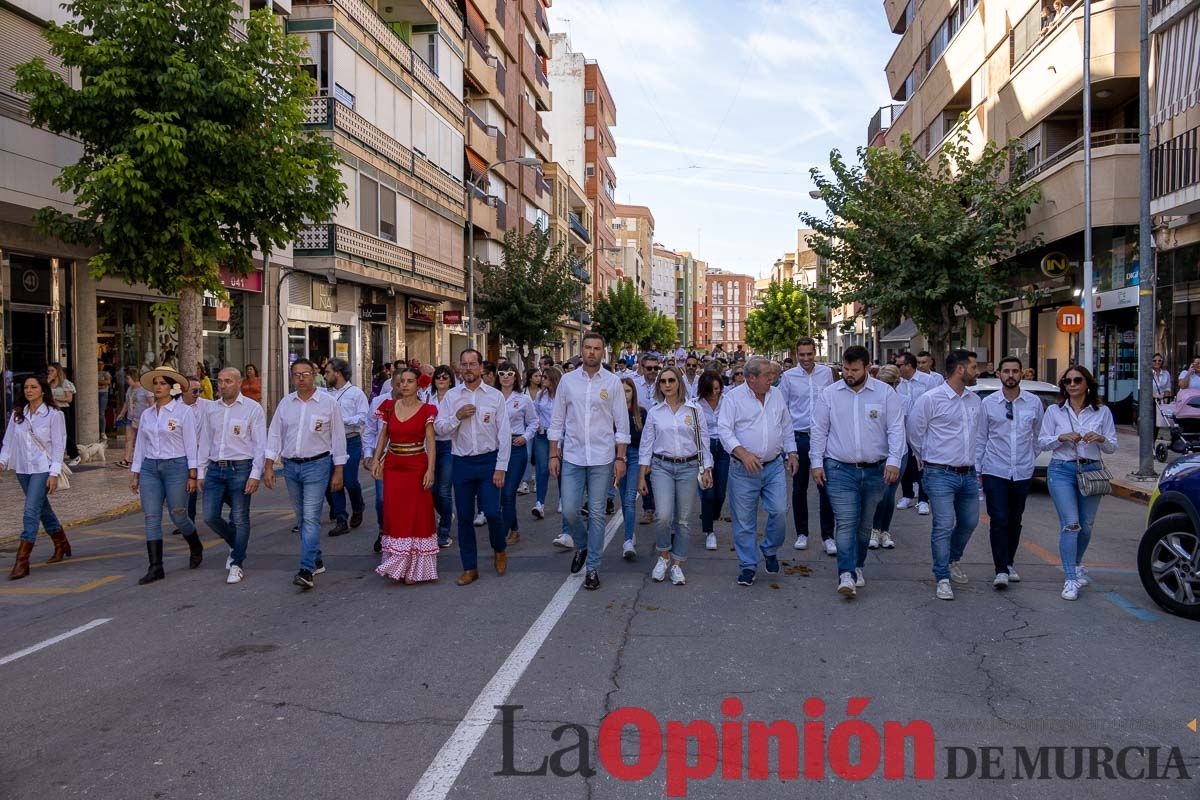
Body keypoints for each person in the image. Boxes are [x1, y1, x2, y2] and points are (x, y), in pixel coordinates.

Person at [811, 346, 905, 598]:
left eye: (854, 369)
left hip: (875, 470)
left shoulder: (885, 394)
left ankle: (858, 565)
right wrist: (816, 463)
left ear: (867, 367)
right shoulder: (829, 394)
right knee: (846, 522)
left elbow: (896, 429)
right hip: (839, 469)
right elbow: (819, 430)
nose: (848, 374)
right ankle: (845, 573)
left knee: (865, 527)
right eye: (845, 368)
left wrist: (895, 461)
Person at [549, 332, 630, 591]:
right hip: (572, 455)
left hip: (602, 457)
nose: (592, 352)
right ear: (581, 351)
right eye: (588, 348)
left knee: (596, 513)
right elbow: (557, 420)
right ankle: (582, 545)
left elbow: (622, 423)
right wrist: (553, 452)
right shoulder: (568, 382)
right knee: (571, 510)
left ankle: (593, 568)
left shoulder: (613, 382)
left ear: (602, 352)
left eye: (597, 348)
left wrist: (620, 457)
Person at [263, 358, 347, 590]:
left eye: (305, 374)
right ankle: (316, 557)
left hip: (317, 465)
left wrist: (338, 470)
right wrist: (269, 466)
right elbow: (274, 435)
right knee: (301, 518)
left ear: (315, 375)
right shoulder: (286, 403)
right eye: (296, 374)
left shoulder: (328, 403)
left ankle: (306, 569)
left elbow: (338, 439)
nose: (301, 378)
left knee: (310, 518)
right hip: (291, 467)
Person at [907, 349, 982, 601]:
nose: (977, 372)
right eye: (973, 367)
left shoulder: (974, 401)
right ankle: (942, 576)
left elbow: (979, 436)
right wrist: (926, 458)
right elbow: (915, 432)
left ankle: (952, 559)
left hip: (969, 474)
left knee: (970, 521)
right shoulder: (931, 399)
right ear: (960, 369)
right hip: (939, 473)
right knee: (943, 524)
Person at [1039, 365, 1117, 601]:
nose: (1072, 385)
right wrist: (1060, 438)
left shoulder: (1102, 412)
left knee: (1086, 524)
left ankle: (1076, 562)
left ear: (1087, 384)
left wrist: (1101, 438)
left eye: (1077, 380)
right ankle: (1070, 578)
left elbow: (1112, 447)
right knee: (1071, 523)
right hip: (1062, 469)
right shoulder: (1055, 411)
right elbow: (1042, 442)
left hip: (1091, 470)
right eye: (1067, 381)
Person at [718, 357, 798, 587]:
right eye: (767, 376)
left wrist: (792, 453)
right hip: (743, 468)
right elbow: (724, 430)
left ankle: (770, 549)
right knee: (744, 521)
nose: (772, 379)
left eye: (773, 375)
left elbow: (786, 425)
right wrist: (743, 454)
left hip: (773, 466)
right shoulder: (733, 398)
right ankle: (748, 565)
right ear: (751, 378)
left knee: (779, 511)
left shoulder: (776, 394)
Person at [435, 348, 511, 586]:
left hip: (489, 461)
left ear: (481, 368)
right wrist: (456, 416)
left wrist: (501, 467)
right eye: (464, 364)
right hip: (462, 462)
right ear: (459, 367)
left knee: (491, 512)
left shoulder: (495, 396)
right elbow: (439, 428)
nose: (468, 368)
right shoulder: (451, 397)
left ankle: (499, 548)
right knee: (465, 517)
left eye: (472, 364)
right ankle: (470, 567)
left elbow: (505, 434)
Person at [639, 366, 713, 586]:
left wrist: (706, 468)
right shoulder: (654, 412)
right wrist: (641, 475)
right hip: (661, 466)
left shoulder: (694, 410)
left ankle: (677, 565)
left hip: (689, 467)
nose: (667, 385)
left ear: (679, 383)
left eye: (671, 380)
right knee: (663, 516)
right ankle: (663, 556)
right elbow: (646, 445)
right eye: (663, 381)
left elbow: (704, 441)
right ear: (659, 386)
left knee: (682, 519)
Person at [975, 356, 1044, 590]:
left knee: (1015, 519)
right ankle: (1000, 569)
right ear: (999, 375)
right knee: (999, 519)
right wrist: (978, 469)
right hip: (995, 469)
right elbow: (981, 438)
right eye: (1006, 371)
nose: (1011, 375)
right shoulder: (988, 403)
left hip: (1022, 471)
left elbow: (1038, 436)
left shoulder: (1033, 403)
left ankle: (1009, 562)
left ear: (1022, 374)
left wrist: (1028, 458)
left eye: (1015, 371)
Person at [129, 367, 202, 585]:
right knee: (151, 516)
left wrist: (192, 474)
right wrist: (136, 473)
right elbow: (140, 445)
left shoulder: (183, 412)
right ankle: (156, 566)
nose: (158, 387)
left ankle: (195, 544)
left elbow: (191, 444)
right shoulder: (147, 414)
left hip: (176, 467)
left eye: (162, 383)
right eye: (156, 383)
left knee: (178, 514)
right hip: (151, 467)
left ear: (172, 388)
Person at [196, 367, 266, 584]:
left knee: (240, 517)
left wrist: (256, 474)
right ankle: (237, 544)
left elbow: (260, 445)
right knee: (209, 516)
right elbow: (205, 440)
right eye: (220, 381)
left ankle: (237, 563)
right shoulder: (211, 409)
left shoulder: (252, 409)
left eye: (227, 381)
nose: (222, 385)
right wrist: (200, 471)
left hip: (241, 469)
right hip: (216, 469)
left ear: (238, 383)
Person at [370, 368, 439, 584]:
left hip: (417, 466)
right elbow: (383, 435)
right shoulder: (389, 407)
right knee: (395, 513)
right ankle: (398, 565)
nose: (405, 385)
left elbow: (431, 442)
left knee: (417, 515)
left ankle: (414, 570)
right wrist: (375, 459)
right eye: (402, 382)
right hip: (393, 466)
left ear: (419, 386)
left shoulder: (427, 409)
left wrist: (430, 469)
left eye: (410, 381)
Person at [2, 375, 69, 579]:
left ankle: (22, 560)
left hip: (43, 468)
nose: (29, 390)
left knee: (31, 510)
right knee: (42, 508)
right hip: (23, 468)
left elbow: (59, 445)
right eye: (26, 388)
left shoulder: (53, 415)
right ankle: (61, 542)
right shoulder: (18, 415)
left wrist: (54, 473)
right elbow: (8, 441)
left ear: (42, 390)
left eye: (33, 387)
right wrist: (3, 461)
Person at [779, 336, 837, 554]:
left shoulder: (827, 374)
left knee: (826, 488)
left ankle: (828, 536)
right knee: (799, 488)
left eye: (809, 354)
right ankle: (802, 533)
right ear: (796, 354)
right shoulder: (788, 377)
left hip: (824, 438)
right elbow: (783, 412)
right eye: (801, 354)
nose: (806, 358)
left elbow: (834, 403)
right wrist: (789, 449)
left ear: (815, 352)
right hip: (800, 437)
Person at [322, 358, 369, 536]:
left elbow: (363, 417)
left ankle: (358, 506)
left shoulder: (356, 393)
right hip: (331, 442)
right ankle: (341, 519)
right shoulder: (326, 395)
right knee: (335, 481)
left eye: (327, 372)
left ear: (338, 373)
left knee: (349, 480)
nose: (324, 376)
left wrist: (342, 421)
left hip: (351, 440)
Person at [497, 360, 537, 547]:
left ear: (515, 376)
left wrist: (525, 437)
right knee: (502, 494)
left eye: (510, 373)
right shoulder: (492, 396)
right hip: (495, 448)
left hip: (516, 447)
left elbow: (534, 422)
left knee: (508, 491)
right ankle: (514, 529)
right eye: (502, 373)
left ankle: (502, 533)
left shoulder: (523, 399)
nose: (506, 377)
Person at [869, 364, 906, 550]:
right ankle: (874, 529)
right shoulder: (874, 399)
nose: (888, 387)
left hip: (901, 453)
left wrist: (918, 453)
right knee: (880, 494)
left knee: (890, 494)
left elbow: (909, 427)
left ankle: (885, 530)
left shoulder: (904, 400)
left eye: (891, 383)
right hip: (881, 453)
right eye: (884, 383)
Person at [894, 352, 932, 515]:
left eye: (899, 365)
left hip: (923, 429)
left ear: (909, 365)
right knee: (906, 465)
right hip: (903, 428)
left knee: (922, 464)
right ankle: (907, 495)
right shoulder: (898, 383)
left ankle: (924, 499)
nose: (897, 368)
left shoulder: (928, 381)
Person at [697, 371, 729, 552]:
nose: (715, 394)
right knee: (708, 491)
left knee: (721, 491)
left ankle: (711, 514)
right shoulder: (697, 405)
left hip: (724, 448)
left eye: (717, 389)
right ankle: (709, 531)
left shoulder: (727, 401)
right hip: (705, 448)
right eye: (710, 390)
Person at [616, 376, 646, 560]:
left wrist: (646, 465)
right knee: (623, 497)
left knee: (629, 499)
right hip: (618, 456)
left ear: (633, 392)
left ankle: (627, 540)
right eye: (621, 391)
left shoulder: (640, 413)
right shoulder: (612, 412)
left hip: (635, 455)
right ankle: (630, 531)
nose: (625, 394)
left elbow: (646, 440)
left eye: (628, 391)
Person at [532, 366, 561, 521]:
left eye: (545, 377)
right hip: (543, 436)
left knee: (560, 470)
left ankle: (563, 499)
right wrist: (537, 426)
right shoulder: (540, 395)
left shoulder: (561, 396)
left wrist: (560, 443)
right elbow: (534, 412)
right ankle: (540, 503)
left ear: (553, 379)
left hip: (559, 437)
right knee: (542, 469)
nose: (541, 379)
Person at [116, 371, 153, 468]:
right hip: (131, 418)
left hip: (143, 419)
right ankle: (126, 459)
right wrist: (122, 413)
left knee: (143, 440)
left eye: (128, 378)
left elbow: (151, 404)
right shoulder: (129, 389)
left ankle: (144, 459)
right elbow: (126, 403)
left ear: (134, 378)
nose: (127, 381)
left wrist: (152, 418)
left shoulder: (146, 389)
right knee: (128, 439)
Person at [46, 362, 79, 464]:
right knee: (52, 434)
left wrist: (55, 397)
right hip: (51, 410)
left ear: (58, 371)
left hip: (62, 409)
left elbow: (69, 399)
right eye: (49, 371)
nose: (50, 373)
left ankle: (75, 455)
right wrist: (47, 382)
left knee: (66, 433)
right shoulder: (48, 383)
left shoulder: (65, 383)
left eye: (52, 371)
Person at [520, 367, 543, 494]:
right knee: (527, 454)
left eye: (540, 376)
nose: (539, 378)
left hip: (540, 428)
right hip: (526, 427)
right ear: (530, 378)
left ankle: (536, 480)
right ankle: (524, 481)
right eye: (536, 376)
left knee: (538, 455)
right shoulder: (523, 391)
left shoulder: (543, 391)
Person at [97, 359, 112, 438]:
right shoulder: (93, 373)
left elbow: (108, 382)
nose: (100, 365)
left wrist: (98, 382)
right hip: (95, 393)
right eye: (98, 364)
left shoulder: (106, 373)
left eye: (102, 364)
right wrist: (102, 382)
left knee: (101, 413)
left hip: (103, 393)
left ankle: (103, 432)